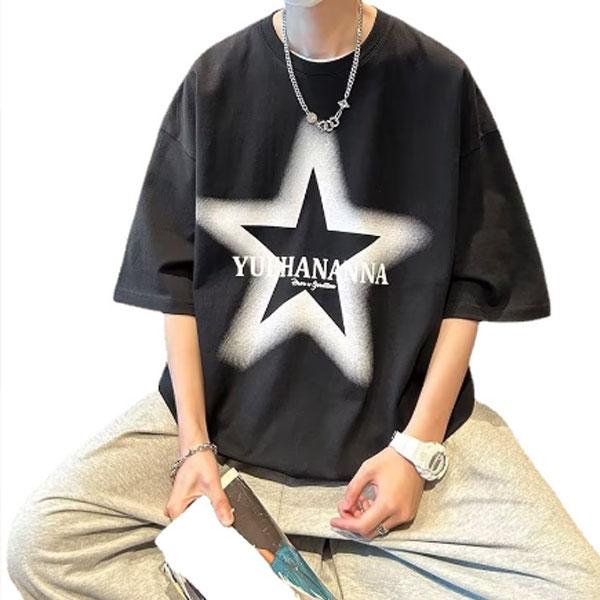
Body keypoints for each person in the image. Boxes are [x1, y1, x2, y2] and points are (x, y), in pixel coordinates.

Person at [6, 1, 600, 598]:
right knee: (47, 543)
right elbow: (174, 281)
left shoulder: (440, 82)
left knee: (573, 586)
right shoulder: (214, 80)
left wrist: (416, 451)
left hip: (394, 437)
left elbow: (473, 285)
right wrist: (194, 446)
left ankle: (293, 576)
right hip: (224, 435)